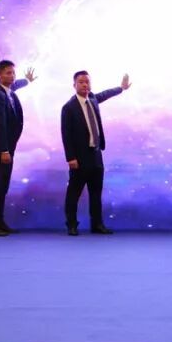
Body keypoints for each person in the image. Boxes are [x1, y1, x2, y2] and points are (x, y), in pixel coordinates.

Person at [60, 70, 131, 236]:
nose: (85, 85)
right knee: (74, 193)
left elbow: (105, 94)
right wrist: (71, 158)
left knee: (96, 193)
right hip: (79, 157)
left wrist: (121, 88)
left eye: (87, 82)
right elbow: (66, 134)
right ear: (74, 85)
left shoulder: (92, 99)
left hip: (96, 154)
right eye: (81, 82)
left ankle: (97, 224)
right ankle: (72, 225)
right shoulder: (68, 107)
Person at [0, 60, 36, 237]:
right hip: (2, 149)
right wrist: (4, 150)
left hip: (7, 147)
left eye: (13, 73)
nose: (12, 76)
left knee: (3, 186)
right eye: (8, 73)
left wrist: (26, 81)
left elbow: (15, 85)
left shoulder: (6, 90)